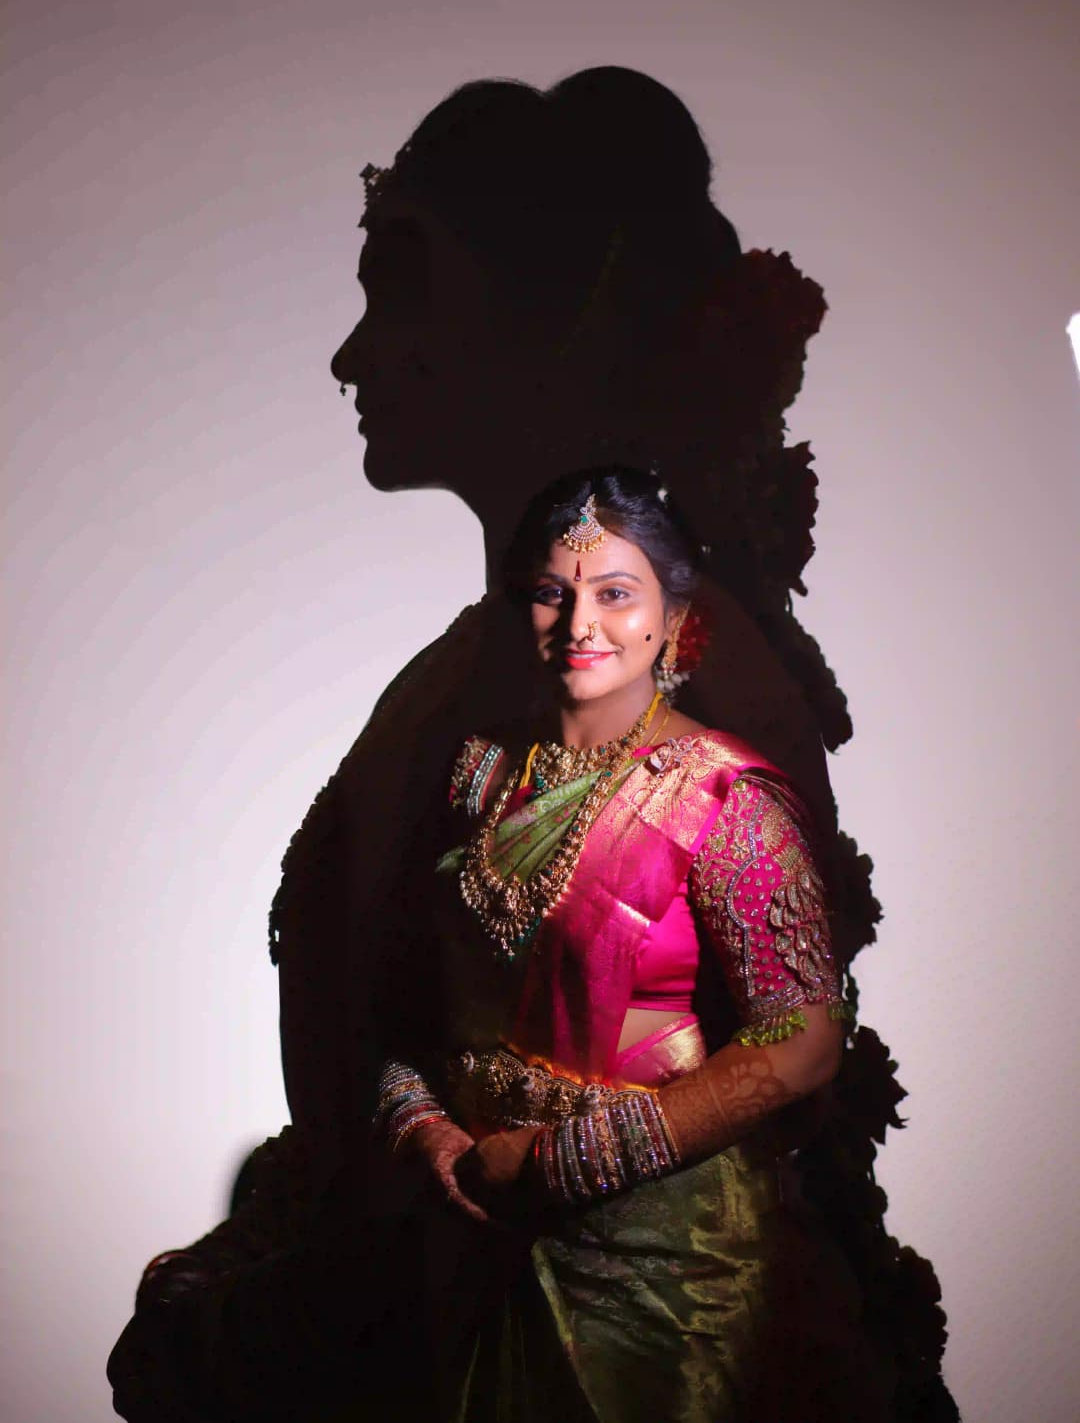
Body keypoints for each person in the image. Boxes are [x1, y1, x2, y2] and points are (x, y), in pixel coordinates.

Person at [108, 69, 956, 1420]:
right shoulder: (455, 681)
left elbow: (782, 1062)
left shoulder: (703, 677)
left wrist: (532, 1177)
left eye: (405, 291)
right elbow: (396, 1020)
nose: (353, 354)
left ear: (555, 320)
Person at [369, 466, 887, 1421]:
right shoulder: (479, 772)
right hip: (476, 1229)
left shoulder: (726, 794)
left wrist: (566, 1162)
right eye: (551, 593)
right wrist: (426, 1129)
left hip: (661, 1261)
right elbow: (411, 1001)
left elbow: (806, 1039)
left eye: (615, 593)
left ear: (673, 620)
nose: (580, 625)